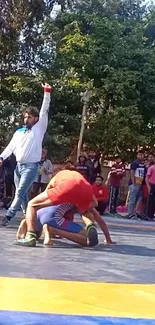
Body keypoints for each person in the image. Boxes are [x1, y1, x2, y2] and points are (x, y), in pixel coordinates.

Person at [0, 83, 52, 227]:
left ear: (35, 119)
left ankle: (9, 216)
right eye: (25, 117)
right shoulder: (19, 132)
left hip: (31, 167)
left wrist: (47, 93)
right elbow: (10, 147)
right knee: (21, 194)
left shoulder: (39, 129)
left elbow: (44, 111)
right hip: (18, 167)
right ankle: (28, 215)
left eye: (29, 117)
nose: (26, 120)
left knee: (20, 191)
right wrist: (1, 158)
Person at [14, 169, 98, 246]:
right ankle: (54, 230)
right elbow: (95, 203)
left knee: (32, 204)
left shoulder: (56, 181)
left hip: (47, 214)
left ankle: (30, 234)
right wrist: (76, 210)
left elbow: (46, 192)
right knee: (86, 231)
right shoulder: (79, 182)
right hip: (85, 190)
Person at [16, 204, 115, 247]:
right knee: (89, 240)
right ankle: (53, 230)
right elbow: (100, 220)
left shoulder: (57, 188)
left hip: (40, 213)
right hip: (54, 217)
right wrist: (108, 238)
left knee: (36, 236)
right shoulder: (82, 199)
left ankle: (26, 223)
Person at [128, 151, 145, 215]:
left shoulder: (143, 164)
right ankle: (130, 213)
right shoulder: (135, 163)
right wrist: (133, 182)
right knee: (132, 198)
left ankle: (136, 212)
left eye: (142, 155)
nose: (141, 156)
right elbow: (132, 173)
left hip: (140, 183)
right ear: (137, 156)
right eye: (139, 155)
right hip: (135, 183)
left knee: (139, 198)